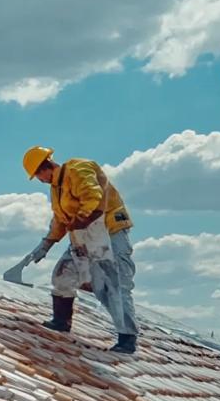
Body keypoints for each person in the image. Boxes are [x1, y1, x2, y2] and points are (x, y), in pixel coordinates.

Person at [22, 146, 138, 353]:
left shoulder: (78, 169)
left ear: (44, 168)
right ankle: (61, 321)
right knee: (63, 275)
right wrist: (46, 244)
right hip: (84, 237)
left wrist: (80, 220)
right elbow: (60, 218)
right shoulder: (56, 188)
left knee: (116, 284)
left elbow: (92, 197)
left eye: (38, 175)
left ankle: (127, 339)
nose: (40, 180)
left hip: (109, 233)